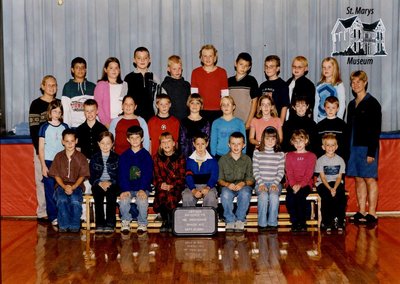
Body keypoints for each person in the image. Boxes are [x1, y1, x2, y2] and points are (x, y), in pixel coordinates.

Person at [347, 70, 381, 224]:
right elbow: (349, 128)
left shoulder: (373, 103)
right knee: (358, 179)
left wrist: (371, 151)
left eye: (359, 82)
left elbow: (375, 129)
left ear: (365, 82)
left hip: (367, 147)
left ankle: (372, 213)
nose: (356, 85)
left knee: (369, 179)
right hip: (353, 146)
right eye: (353, 82)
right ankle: (361, 211)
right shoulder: (351, 104)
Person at [29, 75, 59, 221]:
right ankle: (42, 212)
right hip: (41, 150)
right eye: (48, 85)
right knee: (41, 180)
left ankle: (58, 211)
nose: (51, 88)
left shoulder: (58, 104)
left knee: (58, 181)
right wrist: (39, 152)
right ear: (42, 86)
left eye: (54, 85)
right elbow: (34, 130)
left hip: (57, 152)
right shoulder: (36, 104)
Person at [48, 129, 90, 232]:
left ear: (76, 141)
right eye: (67, 141)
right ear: (62, 142)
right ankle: (63, 225)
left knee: (75, 200)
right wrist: (64, 186)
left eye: (72, 141)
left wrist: (74, 187)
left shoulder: (81, 157)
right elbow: (56, 175)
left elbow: (82, 175)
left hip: (77, 186)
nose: (70, 144)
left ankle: (75, 226)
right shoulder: (58, 156)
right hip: (61, 186)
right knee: (62, 200)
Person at [38, 100, 69, 226]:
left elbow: (69, 145)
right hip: (49, 162)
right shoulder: (44, 127)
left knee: (62, 189)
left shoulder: (65, 127)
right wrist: (43, 166)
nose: (57, 114)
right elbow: (40, 148)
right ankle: (53, 216)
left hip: (62, 162)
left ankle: (64, 214)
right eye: (54, 111)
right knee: (50, 190)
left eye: (59, 112)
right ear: (50, 112)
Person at [118, 125, 153, 234]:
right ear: (128, 139)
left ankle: (142, 223)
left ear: (142, 138)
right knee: (123, 200)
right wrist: (125, 189)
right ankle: (125, 221)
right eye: (132, 138)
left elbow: (147, 174)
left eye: (137, 137)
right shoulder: (124, 156)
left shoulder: (146, 156)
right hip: (127, 188)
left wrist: (142, 189)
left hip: (141, 188)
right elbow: (122, 174)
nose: (135, 140)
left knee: (142, 200)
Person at [218, 132, 254, 232]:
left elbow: (251, 179)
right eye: (233, 143)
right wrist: (227, 184)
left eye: (239, 144)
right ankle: (229, 220)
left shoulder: (247, 159)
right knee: (225, 194)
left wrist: (244, 183)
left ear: (244, 145)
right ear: (229, 144)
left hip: (243, 186)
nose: (236, 146)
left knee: (245, 193)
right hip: (228, 186)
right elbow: (219, 179)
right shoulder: (223, 160)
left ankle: (240, 219)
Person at [253, 126, 285, 231]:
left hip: (275, 183)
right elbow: (255, 170)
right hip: (260, 183)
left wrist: (275, 184)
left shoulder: (280, 154)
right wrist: (261, 183)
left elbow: (281, 172)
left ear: (277, 140)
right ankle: (262, 224)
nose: (270, 141)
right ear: (263, 139)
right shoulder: (257, 152)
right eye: (267, 138)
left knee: (273, 196)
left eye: (273, 138)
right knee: (263, 196)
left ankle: (272, 223)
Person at [153, 132, 186, 232]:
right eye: (163, 142)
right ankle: (165, 220)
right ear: (160, 145)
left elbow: (182, 176)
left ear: (173, 143)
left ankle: (171, 221)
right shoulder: (157, 158)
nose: (166, 144)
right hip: (162, 186)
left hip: (175, 187)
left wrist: (172, 185)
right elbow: (156, 175)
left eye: (169, 141)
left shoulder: (180, 157)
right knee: (162, 194)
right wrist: (161, 184)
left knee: (170, 196)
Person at [285, 130, 317, 232]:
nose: (298, 144)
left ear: (306, 141)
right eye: (296, 141)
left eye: (301, 141)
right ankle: (294, 222)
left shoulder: (311, 156)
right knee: (290, 198)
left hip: (306, 184)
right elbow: (289, 172)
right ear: (292, 142)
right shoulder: (289, 156)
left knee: (300, 196)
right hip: (291, 183)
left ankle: (302, 222)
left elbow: (309, 174)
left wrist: (301, 185)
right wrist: (293, 184)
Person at [315, 133, 347, 232]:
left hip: (336, 183)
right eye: (328, 145)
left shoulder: (340, 160)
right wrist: (330, 188)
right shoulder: (320, 160)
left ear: (336, 146)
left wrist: (335, 188)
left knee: (341, 196)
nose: (330, 147)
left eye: (333, 145)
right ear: (323, 147)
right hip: (323, 184)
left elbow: (339, 177)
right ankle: (326, 221)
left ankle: (339, 220)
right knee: (327, 196)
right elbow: (323, 177)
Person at [89, 131, 119, 233]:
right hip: (98, 183)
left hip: (112, 183)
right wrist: (100, 182)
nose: (105, 146)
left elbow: (119, 175)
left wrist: (110, 182)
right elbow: (91, 176)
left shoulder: (116, 157)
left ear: (112, 144)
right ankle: (100, 223)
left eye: (108, 143)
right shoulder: (94, 157)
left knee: (111, 196)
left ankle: (110, 223)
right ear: (98, 144)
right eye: (102, 143)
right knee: (98, 196)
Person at [191, 44, 228, 123]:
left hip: (218, 111)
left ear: (215, 58)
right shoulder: (195, 72)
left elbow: (225, 95)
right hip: (201, 111)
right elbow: (194, 95)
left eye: (210, 56)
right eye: (205, 56)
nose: (207, 59)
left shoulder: (222, 72)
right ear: (201, 58)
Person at [124, 46, 163, 122]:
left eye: (145, 58)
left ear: (149, 60)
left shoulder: (154, 77)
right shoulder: (128, 78)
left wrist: (157, 113)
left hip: (150, 116)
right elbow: (123, 98)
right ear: (134, 60)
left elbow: (160, 97)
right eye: (139, 58)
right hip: (133, 116)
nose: (142, 60)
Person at [182, 132, 219, 209]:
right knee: (187, 196)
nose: (200, 147)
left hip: (208, 186)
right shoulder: (189, 160)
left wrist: (208, 187)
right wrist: (193, 190)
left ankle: (209, 220)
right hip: (192, 186)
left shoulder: (212, 160)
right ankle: (190, 219)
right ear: (194, 144)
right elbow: (188, 177)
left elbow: (214, 177)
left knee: (211, 197)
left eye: (203, 144)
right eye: (198, 144)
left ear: (207, 144)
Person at [228, 52, 260, 130]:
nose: (243, 68)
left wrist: (248, 122)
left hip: (245, 122)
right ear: (236, 63)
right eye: (241, 64)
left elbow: (254, 102)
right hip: (231, 121)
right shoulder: (229, 81)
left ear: (249, 68)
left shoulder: (251, 81)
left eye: (246, 66)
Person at [61, 57, 96, 127]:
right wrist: (67, 128)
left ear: (85, 70)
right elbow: (66, 110)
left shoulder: (93, 86)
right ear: (72, 70)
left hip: (91, 125)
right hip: (74, 127)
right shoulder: (68, 86)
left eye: (82, 67)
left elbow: (97, 108)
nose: (80, 70)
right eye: (77, 67)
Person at [94, 57, 128, 128]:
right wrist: (106, 123)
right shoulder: (101, 85)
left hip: (122, 121)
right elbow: (98, 105)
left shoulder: (124, 85)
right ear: (105, 70)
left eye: (116, 68)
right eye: (111, 68)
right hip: (106, 123)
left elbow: (126, 103)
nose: (114, 70)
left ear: (119, 70)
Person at [314, 57, 346, 123]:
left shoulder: (338, 85)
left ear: (335, 69)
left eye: (329, 67)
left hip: (333, 119)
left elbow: (342, 105)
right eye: (324, 67)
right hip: (320, 119)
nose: (326, 69)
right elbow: (316, 104)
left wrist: (338, 121)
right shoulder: (319, 85)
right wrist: (315, 121)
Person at [179, 93, 211, 159]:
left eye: (197, 103)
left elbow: (207, 141)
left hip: (201, 155)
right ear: (188, 104)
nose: (195, 105)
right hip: (187, 155)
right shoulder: (183, 121)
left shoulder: (205, 122)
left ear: (201, 105)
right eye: (192, 103)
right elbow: (182, 142)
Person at [259, 55, 290, 123]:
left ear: (277, 68)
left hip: (276, 121)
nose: (268, 69)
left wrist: (281, 123)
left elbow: (284, 106)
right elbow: (259, 106)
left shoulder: (283, 85)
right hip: (263, 121)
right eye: (266, 66)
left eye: (271, 67)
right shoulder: (262, 86)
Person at [161, 55, 191, 121]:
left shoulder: (187, 85)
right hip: (171, 118)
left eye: (179, 68)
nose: (177, 71)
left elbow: (190, 102)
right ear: (168, 69)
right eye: (174, 69)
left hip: (185, 118)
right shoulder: (165, 85)